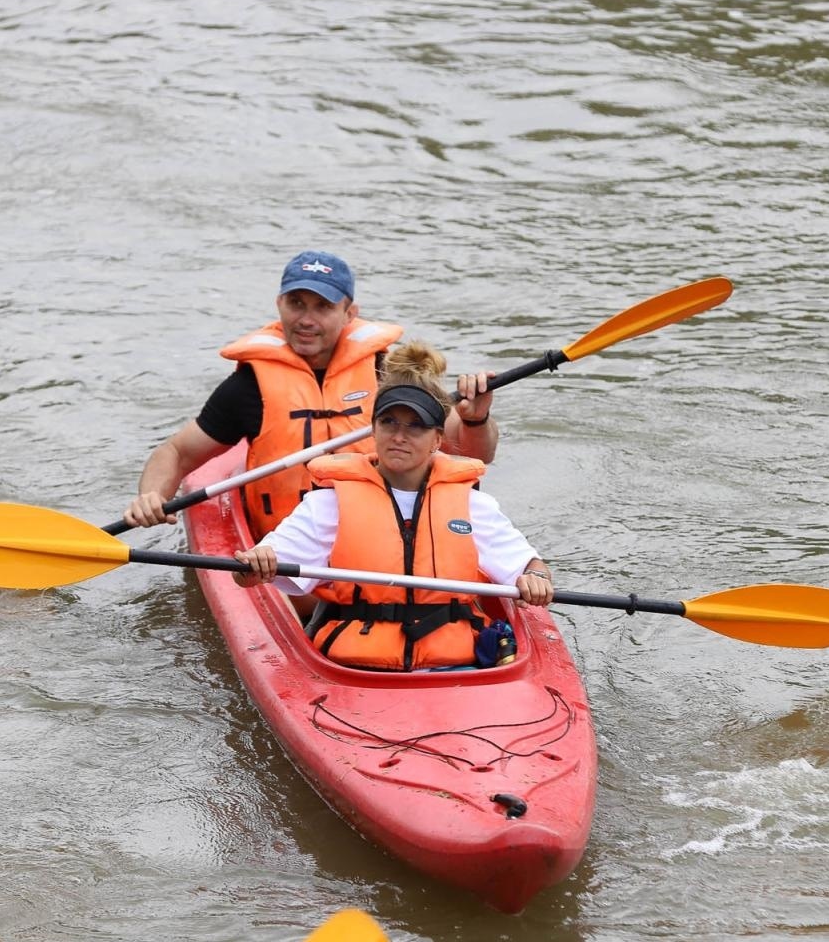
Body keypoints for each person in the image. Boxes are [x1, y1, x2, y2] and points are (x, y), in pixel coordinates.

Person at [125, 251, 499, 539]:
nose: (306, 319)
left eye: (322, 306)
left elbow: (474, 453)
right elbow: (177, 452)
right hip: (286, 546)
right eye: (297, 304)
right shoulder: (249, 386)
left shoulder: (390, 373)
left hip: (382, 537)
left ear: (350, 312)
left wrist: (476, 418)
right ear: (279, 305)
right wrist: (151, 497)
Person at [232, 342, 553, 672]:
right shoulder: (329, 503)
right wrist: (254, 565)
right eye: (389, 422)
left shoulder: (472, 505)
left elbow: (531, 566)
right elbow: (253, 571)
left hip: (454, 668)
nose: (399, 436)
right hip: (359, 668)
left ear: (437, 439)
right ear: (374, 429)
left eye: (416, 426)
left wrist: (534, 578)